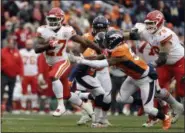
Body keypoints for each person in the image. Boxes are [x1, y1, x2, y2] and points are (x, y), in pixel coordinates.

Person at [68, 30, 172, 130]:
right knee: (120, 99)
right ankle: (142, 102)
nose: (105, 43)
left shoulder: (120, 51)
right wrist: (82, 59)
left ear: (114, 41)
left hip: (146, 78)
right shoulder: (118, 47)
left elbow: (101, 63)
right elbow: (100, 57)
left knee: (148, 109)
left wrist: (81, 61)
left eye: (107, 41)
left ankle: (166, 118)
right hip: (133, 77)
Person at [34, 7, 102, 120]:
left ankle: (61, 106)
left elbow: (84, 41)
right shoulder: (42, 30)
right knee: (67, 94)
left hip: (62, 61)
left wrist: (99, 49)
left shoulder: (66, 30)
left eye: (54, 19)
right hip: (51, 64)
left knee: (53, 76)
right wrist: (48, 46)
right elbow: (37, 48)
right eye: (50, 19)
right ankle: (89, 109)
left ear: (61, 19)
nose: (52, 22)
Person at [134, 10, 184, 123]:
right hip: (166, 64)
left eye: (152, 23)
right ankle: (177, 106)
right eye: (148, 23)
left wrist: (147, 65)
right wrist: (117, 35)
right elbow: (128, 34)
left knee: (181, 91)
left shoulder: (165, 33)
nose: (149, 26)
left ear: (160, 22)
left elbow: (162, 59)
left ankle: (181, 109)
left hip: (180, 61)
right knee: (157, 90)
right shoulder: (145, 31)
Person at [1, 35, 23, 112]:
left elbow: (20, 64)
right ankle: (1, 106)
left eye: (12, 43)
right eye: (10, 43)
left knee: (11, 92)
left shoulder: (17, 53)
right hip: (4, 75)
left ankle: (9, 107)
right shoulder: (2, 51)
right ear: (7, 43)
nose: (11, 45)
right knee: (1, 90)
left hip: (13, 75)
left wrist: (21, 74)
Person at [19, 39, 39, 112]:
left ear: (32, 45)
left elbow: (39, 63)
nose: (29, 45)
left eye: (30, 44)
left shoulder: (36, 52)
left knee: (34, 91)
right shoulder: (21, 51)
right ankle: (23, 107)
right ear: (25, 44)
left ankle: (34, 107)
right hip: (24, 74)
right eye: (28, 44)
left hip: (34, 74)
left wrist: (39, 74)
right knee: (24, 91)